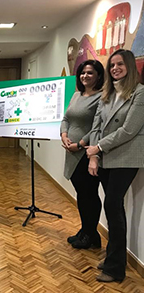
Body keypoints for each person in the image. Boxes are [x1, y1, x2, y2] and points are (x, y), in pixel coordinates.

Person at [87, 49, 144, 282]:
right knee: (112, 209)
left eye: (119, 64)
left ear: (130, 66)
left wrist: (98, 148)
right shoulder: (107, 93)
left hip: (126, 158)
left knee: (112, 205)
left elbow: (129, 130)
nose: (115, 69)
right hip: (106, 158)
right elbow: (96, 126)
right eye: (111, 65)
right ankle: (113, 257)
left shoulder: (140, 93)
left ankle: (116, 268)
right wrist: (94, 156)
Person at [60, 60, 104, 249]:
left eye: (90, 73)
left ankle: (91, 234)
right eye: (83, 73)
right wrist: (64, 135)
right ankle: (86, 230)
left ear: (98, 76)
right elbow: (66, 118)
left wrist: (80, 144)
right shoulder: (77, 95)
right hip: (71, 151)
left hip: (87, 153)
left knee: (89, 194)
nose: (85, 76)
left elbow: (98, 125)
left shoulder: (102, 97)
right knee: (81, 193)